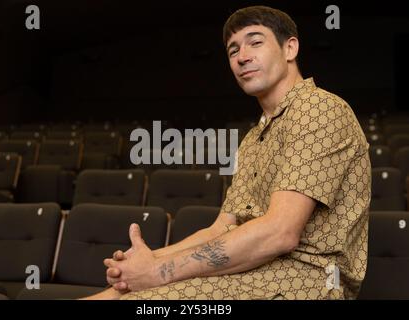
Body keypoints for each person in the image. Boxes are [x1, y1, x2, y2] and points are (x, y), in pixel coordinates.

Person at [83, 5, 371, 300]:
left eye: (255, 42)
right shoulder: (253, 138)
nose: (242, 57)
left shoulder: (319, 108)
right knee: (114, 294)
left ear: (290, 48)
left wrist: (159, 271)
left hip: (308, 281)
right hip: (256, 272)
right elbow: (221, 228)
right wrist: (145, 262)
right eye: (233, 50)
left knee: (141, 301)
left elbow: (280, 233)